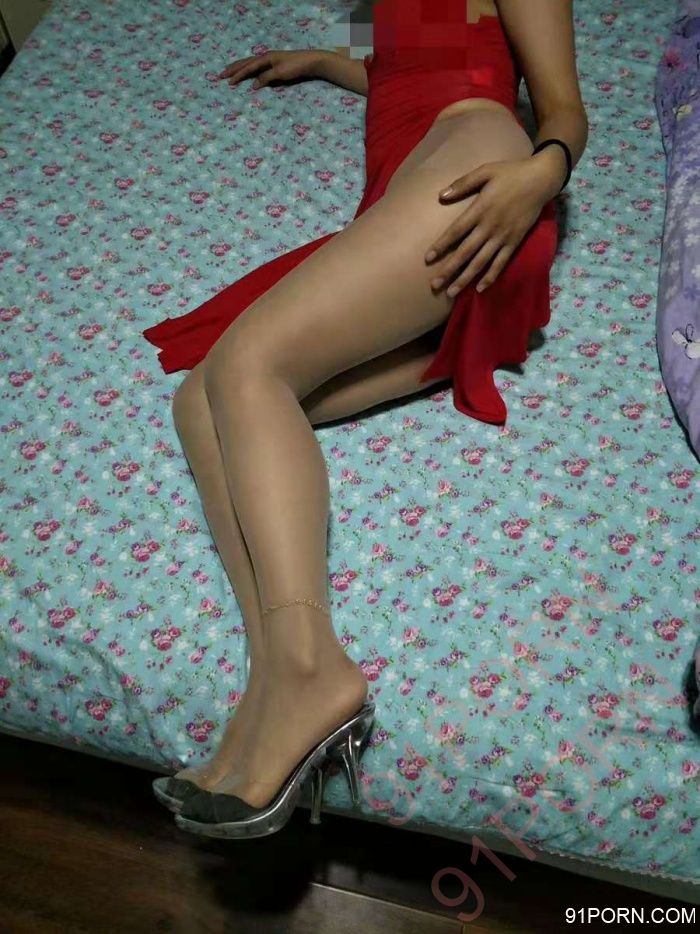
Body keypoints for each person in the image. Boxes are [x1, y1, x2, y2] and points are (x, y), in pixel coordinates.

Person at [146, 0, 589, 838]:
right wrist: (323, 61)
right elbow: (393, 60)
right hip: (404, 186)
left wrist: (542, 174)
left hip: (475, 171)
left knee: (249, 368)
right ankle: (275, 681)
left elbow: (562, 104)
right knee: (202, 401)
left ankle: (312, 669)